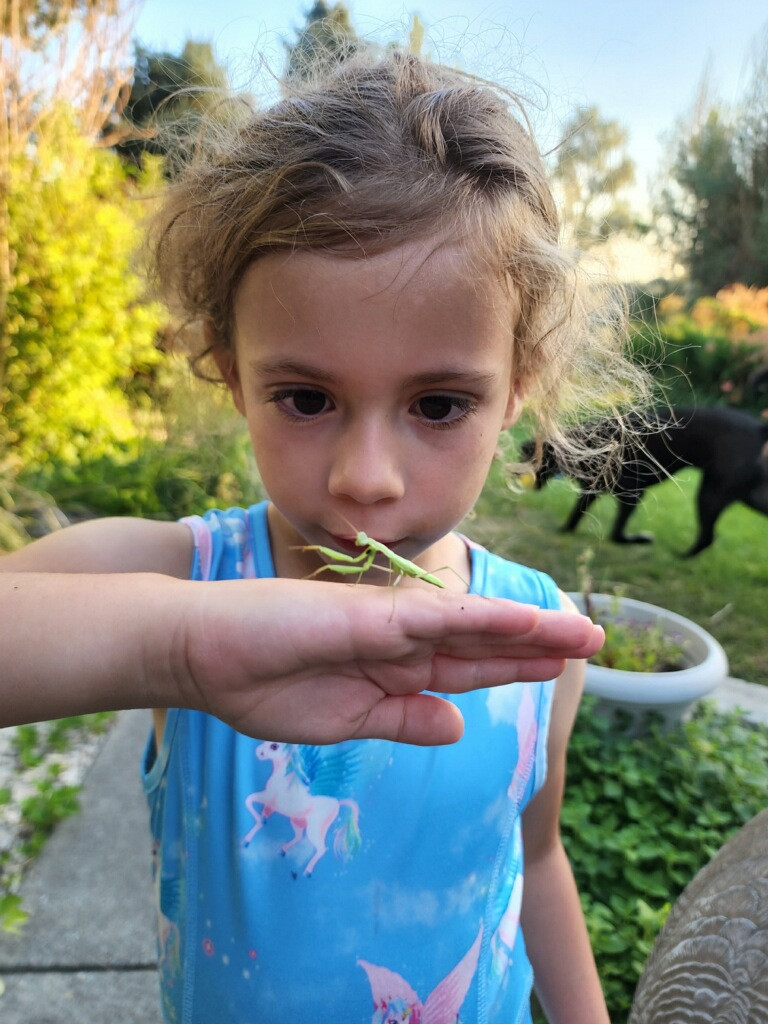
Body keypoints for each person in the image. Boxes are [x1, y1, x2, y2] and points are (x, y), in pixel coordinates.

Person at [0, 50, 650, 1023]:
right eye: (306, 398)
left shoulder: (538, 637)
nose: (365, 478)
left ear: (517, 386)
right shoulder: (185, 578)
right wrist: (175, 645)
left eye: (439, 403)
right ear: (231, 372)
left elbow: (538, 856)